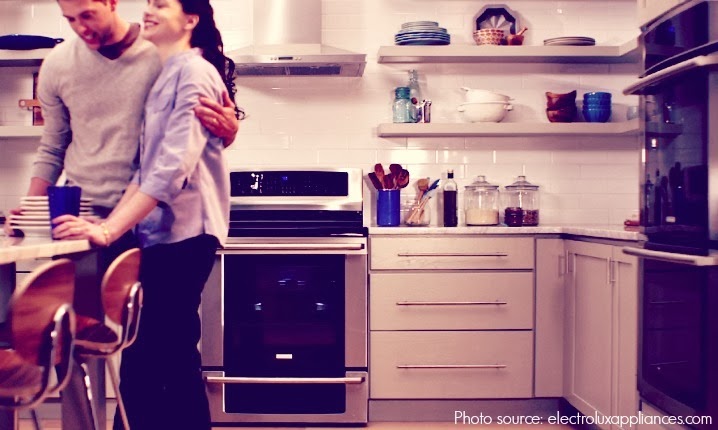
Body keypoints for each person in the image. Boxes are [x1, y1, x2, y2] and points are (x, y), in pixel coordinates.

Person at [53, 0, 231, 428]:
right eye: (149, 2)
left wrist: (108, 230)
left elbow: (170, 169)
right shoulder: (168, 73)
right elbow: (146, 170)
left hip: (186, 234)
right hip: (160, 234)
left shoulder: (194, 73)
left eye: (161, 4)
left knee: (168, 354)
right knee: (149, 351)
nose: (148, 10)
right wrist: (106, 226)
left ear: (190, 20)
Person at [5, 0, 239, 270]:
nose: (81, 28)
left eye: (88, 15)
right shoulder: (58, 64)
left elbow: (178, 157)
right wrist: (29, 210)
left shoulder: (167, 54)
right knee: (82, 298)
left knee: (159, 298)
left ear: (111, 3)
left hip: (158, 221)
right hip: (88, 218)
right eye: (70, 19)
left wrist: (229, 130)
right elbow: (53, 146)